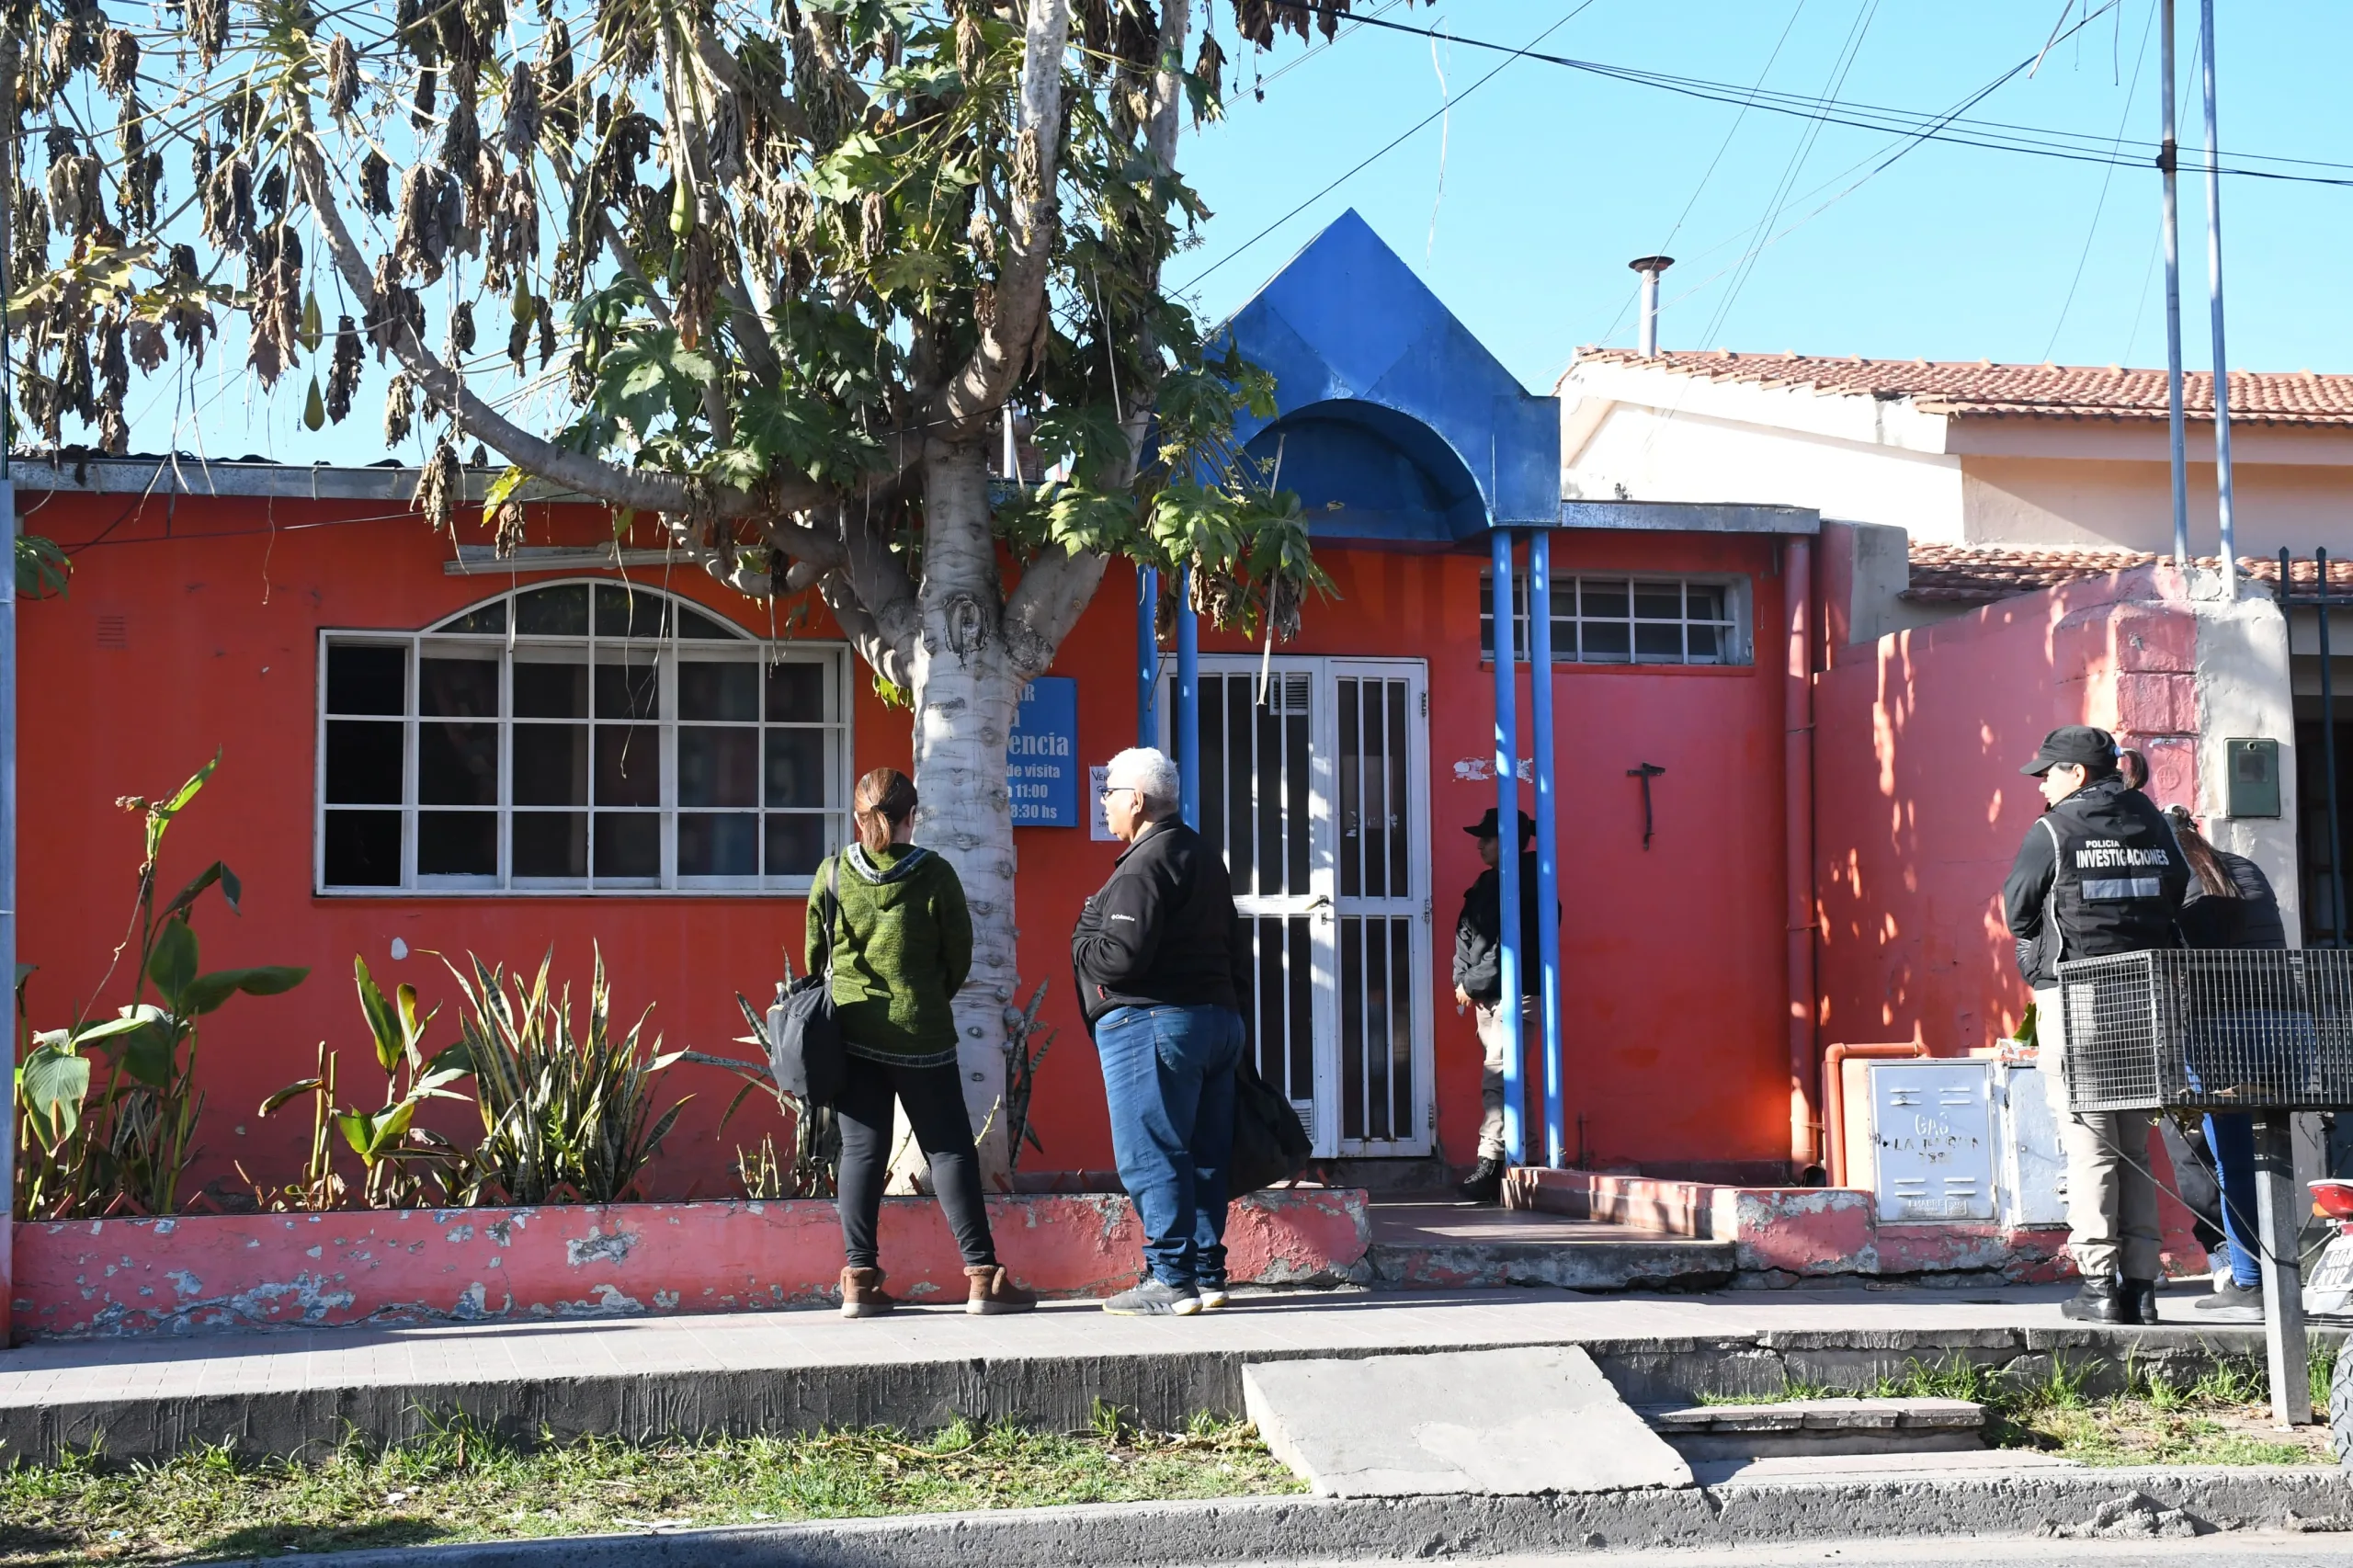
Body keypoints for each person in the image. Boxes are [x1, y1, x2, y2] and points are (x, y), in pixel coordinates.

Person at [821, 767, 1034, 1320]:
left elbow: (814, 953)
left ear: (858, 818)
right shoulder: (935, 873)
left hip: (851, 1031)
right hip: (922, 1031)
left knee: (861, 1152)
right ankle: (982, 1277)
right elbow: (957, 956)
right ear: (912, 816)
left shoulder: (833, 872)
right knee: (949, 1148)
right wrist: (925, 997)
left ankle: (858, 1281)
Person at [2003, 725, 2188, 1324]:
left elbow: (2017, 913)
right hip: (2147, 999)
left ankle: (2098, 1284)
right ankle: (2142, 1286)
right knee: (2134, 1147)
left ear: (2077, 774)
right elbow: (2176, 891)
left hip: (2079, 998)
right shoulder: (2153, 821)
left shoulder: (2053, 830)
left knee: (2090, 1145)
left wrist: (2039, 961)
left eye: (2047, 774)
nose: (2041, 786)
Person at [1073, 746, 1245, 1316]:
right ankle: (1207, 1273)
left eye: (1110, 793)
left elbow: (1120, 958)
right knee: (1204, 1154)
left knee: (1152, 1154)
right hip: (1216, 1021)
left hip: (1152, 1023)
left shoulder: (1141, 865)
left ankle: (1170, 1277)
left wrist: (1083, 937)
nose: (1104, 803)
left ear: (1137, 801)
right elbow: (1235, 945)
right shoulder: (1203, 855)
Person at [2166, 804, 2288, 1322]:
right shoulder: (2244, 867)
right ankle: (2279, 1276)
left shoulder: (2176, 881)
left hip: (2222, 1038)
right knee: (2269, 1156)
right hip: (2288, 1032)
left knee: (2229, 1162)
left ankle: (2250, 1282)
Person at [1451, 806, 1542, 1205]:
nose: (1479, 845)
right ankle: (1530, 1160)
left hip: (1514, 993)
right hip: (1488, 996)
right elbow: (1466, 934)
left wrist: (1470, 982)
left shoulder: (1528, 883)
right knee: (1511, 1079)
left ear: (1506, 842)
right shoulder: (1488, 882)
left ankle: (1491, 1163)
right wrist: (1463, 980)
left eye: (1486, 838)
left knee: (1499, 1076)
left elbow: (1513, 945)